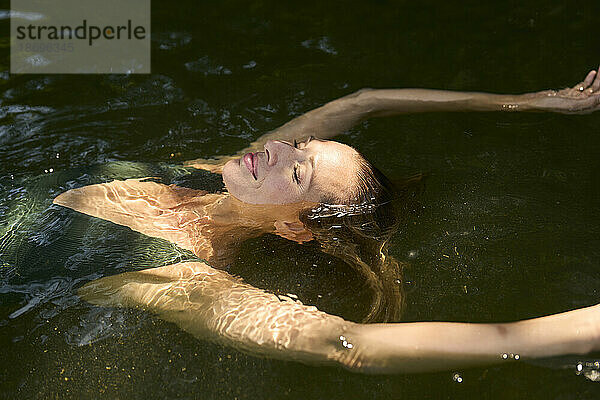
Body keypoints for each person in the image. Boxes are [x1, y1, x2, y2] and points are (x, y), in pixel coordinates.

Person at [54, 68, 600, 374]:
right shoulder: (219, 173)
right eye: (298, 146)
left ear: (292, 227)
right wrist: (528, 102)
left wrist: (573, 332)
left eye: (297, 176)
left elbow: (349, 344)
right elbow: (362, 101)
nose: (278, 152)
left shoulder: (181, 278)